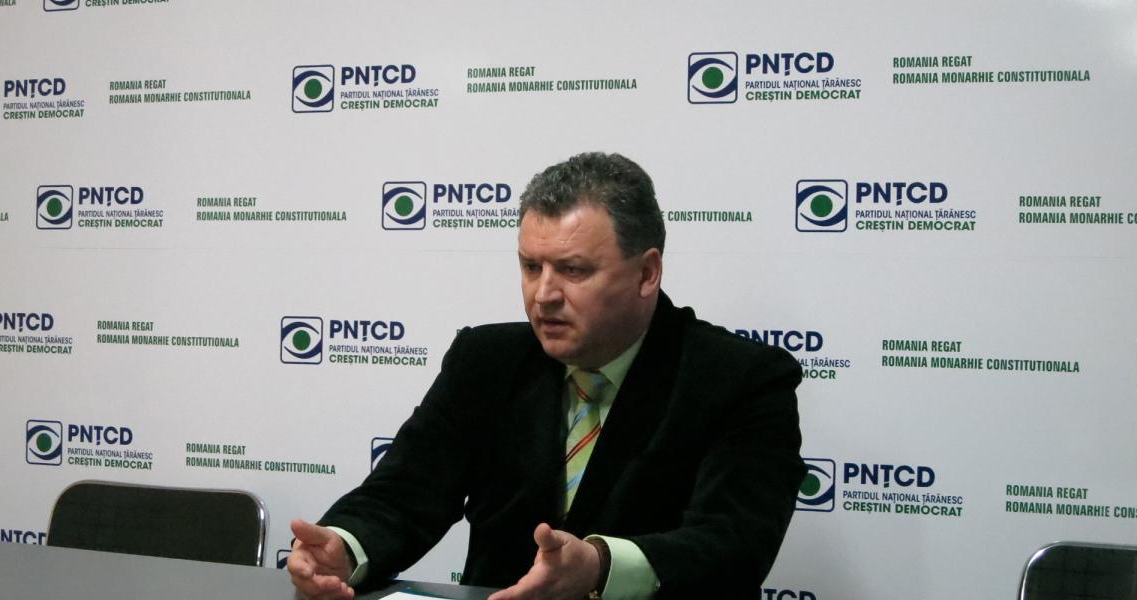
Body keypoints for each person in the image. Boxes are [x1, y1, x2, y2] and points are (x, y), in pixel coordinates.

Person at [288, 152, 805, 600]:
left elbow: (735, 543)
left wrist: (600, 566)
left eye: (573, 270)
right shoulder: (485, 359)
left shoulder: (740, 378)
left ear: (647, 273)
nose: (544, 295)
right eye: (531, 267)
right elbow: (405, 492)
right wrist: (346, 546)